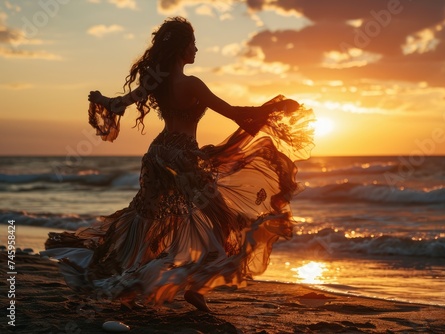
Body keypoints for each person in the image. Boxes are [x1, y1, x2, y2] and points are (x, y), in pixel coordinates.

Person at [42, 17, 314, 312]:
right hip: (183, 157)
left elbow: (118, 104)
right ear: (183, 49)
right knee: (219, 218)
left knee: (145, 220)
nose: (196, 49)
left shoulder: (155, 82)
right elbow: (235, 113)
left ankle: (128, 282)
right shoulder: (193, 84)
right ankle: (195, 286)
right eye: (193, 44)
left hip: (157, 156)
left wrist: (101, 99)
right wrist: (274, 108)